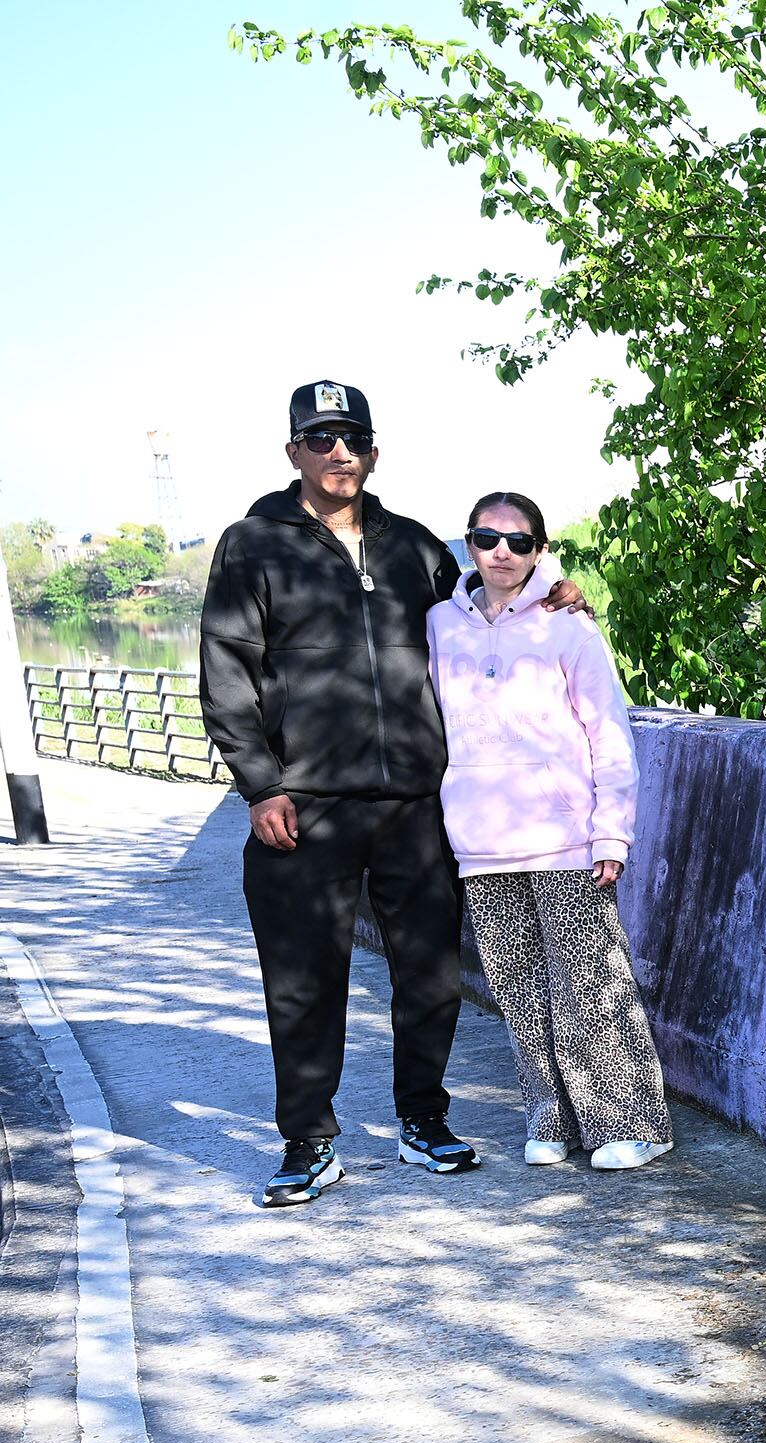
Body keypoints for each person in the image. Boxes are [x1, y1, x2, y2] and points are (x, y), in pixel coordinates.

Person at [198, 380, 578, 1208]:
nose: (339, 453)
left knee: (432, 974)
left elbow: (486, 606)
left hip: (417, 802)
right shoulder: (252, 545)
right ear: (294, 450)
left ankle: (423, 1120)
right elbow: (226, 672)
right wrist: (260, 785)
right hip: (305, 805)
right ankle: (308, 1141)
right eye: (321, 438)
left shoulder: (414, 547)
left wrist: (554, 593)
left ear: (374, 452)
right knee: (303, 981)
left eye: (353, 439)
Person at [429, 493, 674, 1171]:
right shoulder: (439, 625)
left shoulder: (568, 626)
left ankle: (633, 1123)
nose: (501, 552)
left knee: (590, 987)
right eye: (487, 538)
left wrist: (611, 833)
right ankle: (551, 1117)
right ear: (469, 545)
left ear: (540, 550)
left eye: (518, 541)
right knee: (518, 992)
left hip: (566, 837)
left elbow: (609, 733)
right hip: (481, 841)